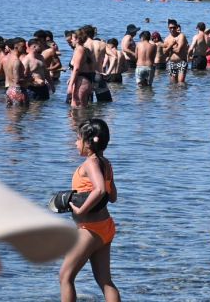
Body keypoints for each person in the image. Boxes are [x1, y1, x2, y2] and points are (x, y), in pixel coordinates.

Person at [59, 119, 120, 302]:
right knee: (105, 281)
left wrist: (80, 209)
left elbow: (100, 189)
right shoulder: (106, 163)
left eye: (77, 139)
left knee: (65, 277)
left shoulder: (90, 164)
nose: (75, 143)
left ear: (88, 142)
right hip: (105, 227)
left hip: (90, 230)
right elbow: (113, 196)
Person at [67, 29, 95, 107]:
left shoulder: (80, 50)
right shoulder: (85, 49)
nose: (71, 40)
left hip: (81, 81)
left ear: (78, 39)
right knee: (79, 109)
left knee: (78, 109)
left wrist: (70, 85)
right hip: (86, 80)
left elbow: (76, 68)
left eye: (72, 38)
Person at [163, 20, 189, 84]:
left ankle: (181, 94)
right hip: (171, 62)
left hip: (181, 61)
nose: (172, 29)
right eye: (170, 28)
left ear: (177, 27)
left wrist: (169, 47)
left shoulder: (181, 36)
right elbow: (164, 53)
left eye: (174, 27)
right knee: (173, 85)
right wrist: (172, 45)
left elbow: (178, 50)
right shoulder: (167, 39)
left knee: (181, 83)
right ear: (168, 28)